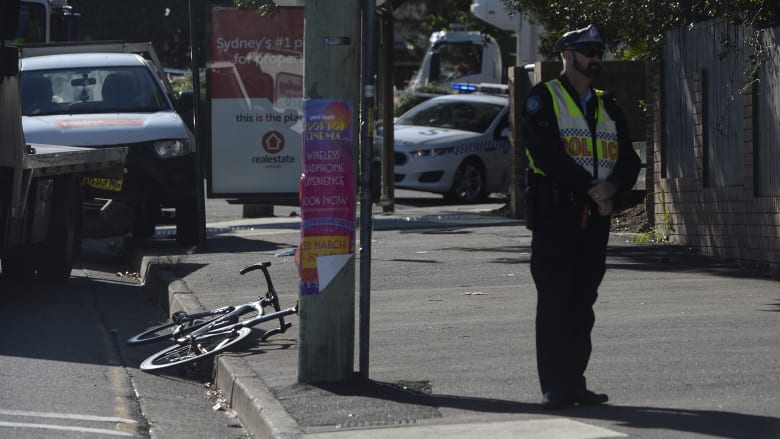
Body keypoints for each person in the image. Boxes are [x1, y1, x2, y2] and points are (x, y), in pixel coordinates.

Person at [521, 24, 641, 410]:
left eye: (599, 51)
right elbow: (546, 155)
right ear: (567, 56)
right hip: (557, 214)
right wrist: (592, 187)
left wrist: (612, 187)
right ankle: (554, 386)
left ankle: (576, 383)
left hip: (596, 216)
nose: (596, 58)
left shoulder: (608, 105)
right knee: (556, 301)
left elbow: (629, 158)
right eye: (589, 51)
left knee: (583, 302)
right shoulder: (544, 97)